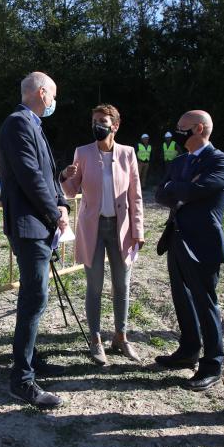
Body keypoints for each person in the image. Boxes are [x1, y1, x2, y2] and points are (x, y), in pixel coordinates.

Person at [0, 71, 70, 409]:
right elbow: (29, 176)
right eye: (53, 95)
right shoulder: (18, 123)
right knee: (34, 299)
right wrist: (55, 214)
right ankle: (21, 380)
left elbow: (49, 175)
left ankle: (31, 359)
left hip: (39, 224)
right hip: (29, 226)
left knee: (35, 299)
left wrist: (63, 203)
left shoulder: (34, 125)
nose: (55, 102)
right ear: (41, 92)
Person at [59, 104, 144, 366]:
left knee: (122, 285)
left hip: (122, 228)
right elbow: (71, 191)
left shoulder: (128, 153)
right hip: (92, 228)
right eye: (95, 120)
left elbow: (136, 196)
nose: (98, 124)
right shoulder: (82, 152)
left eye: (103, 120)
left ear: (115, 125)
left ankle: (121, 336)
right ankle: (95, 340)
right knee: (94, 286)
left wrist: (138, 230)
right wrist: (64, 176)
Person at [154, 110, 224, 392]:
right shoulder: (180, 161)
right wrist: (181, 187)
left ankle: (212, 364)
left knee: (205, 301)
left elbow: (201, 190)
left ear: (198, 129)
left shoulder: (219, 160)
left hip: (203, 243)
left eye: (181, 128)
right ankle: (188, 350)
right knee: (182, 298)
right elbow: (162, 193)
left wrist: (179, 187)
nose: (176, 133)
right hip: (176, 239)